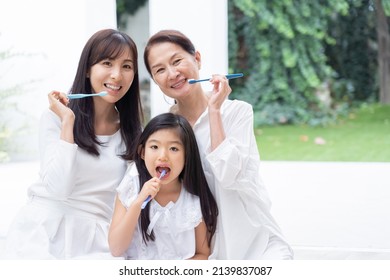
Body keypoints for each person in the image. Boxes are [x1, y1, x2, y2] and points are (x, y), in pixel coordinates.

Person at [143, 29, 293, 260]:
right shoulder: (166, 130)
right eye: (160, 70)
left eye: (177, 61)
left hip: (253, 241)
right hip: (200, 249)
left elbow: (229, 175)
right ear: (155, 80)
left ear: (198, 59)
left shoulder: (237, 112)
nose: (172, 74)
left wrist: (214, 111)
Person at [2, 29, 144, 259]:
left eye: (127, 66)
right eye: (107, 63)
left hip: (97, 242)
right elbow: (59, 189)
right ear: (88, 69)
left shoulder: (134, 134)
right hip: (43, 235)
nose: (117, 75)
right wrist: (68, 122)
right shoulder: (55, 118)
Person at [108, 112, 218, 260]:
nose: (163, 156)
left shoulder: (194, 201)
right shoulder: (131, 187)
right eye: (154, 146)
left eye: (174, 149)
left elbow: (203, 254)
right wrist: (138, 202)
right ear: (142, 152)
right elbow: (116, 248)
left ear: (187, 157)